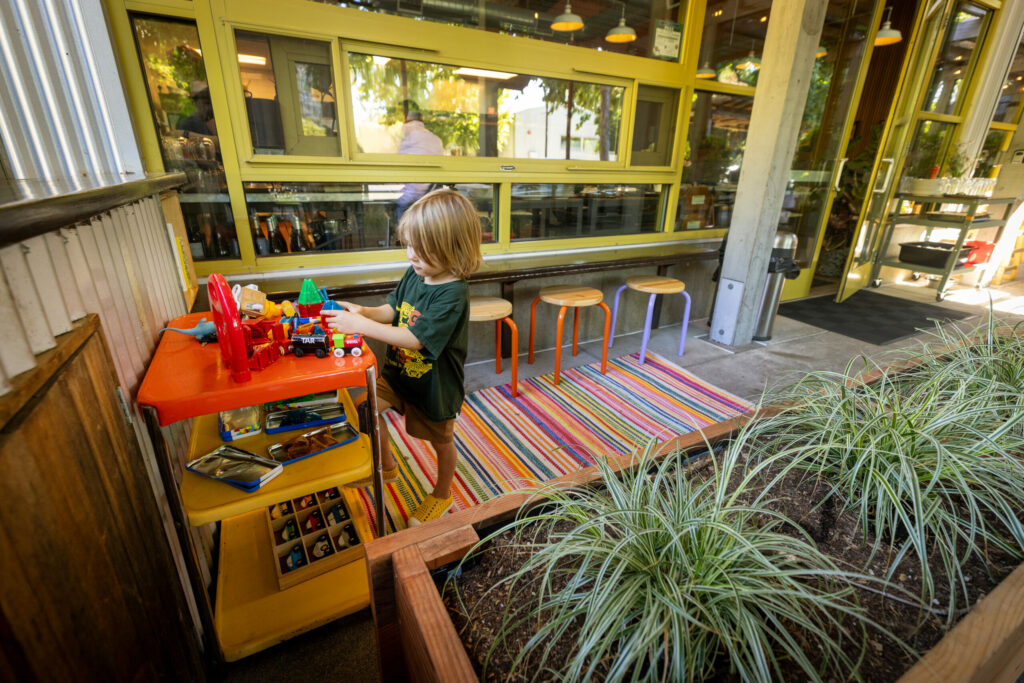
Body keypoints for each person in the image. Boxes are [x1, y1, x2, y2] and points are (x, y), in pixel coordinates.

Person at [323, 189, 482, 526]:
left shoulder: (452, 293)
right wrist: (365, 311)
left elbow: (414, 340)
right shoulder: (417, 271)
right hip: (398, 374)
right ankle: (386, 468)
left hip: (434, 387)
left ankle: (442, 494)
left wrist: (361, 325)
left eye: (422, 250)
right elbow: (392, 309)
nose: (412, 255)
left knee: (442, 442)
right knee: (367, 409)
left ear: (454, 247)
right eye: (409, 245)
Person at [395, 102, 444, 221]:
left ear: (406, 118)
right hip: (431, 200)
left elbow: (399, 173)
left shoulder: (409, 139)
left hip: (412, 201)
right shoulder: (437, 140)